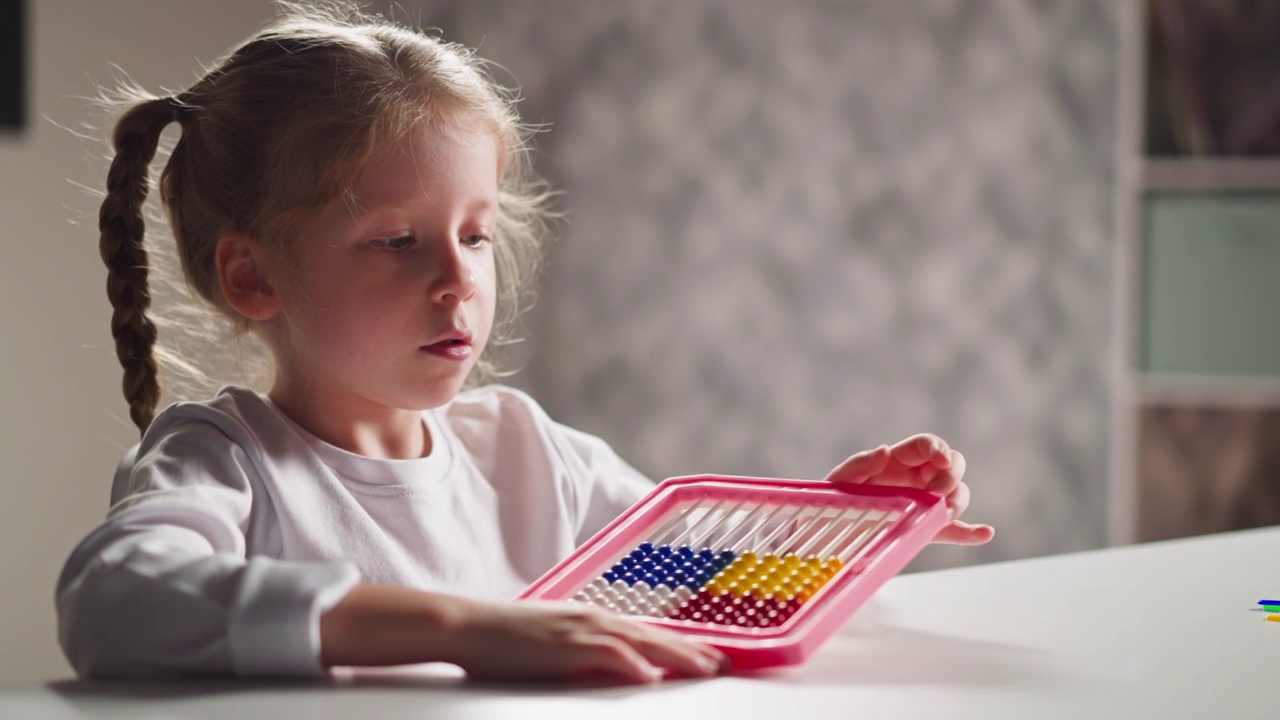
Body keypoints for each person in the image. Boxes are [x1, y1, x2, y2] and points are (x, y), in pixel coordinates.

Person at [57, 1, 994, 685]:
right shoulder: (226, 462)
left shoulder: (524, 449)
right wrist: (467, 628)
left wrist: (851, 528)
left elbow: (701, 585)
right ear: (253, 275)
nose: (459, 279)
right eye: (396, 240)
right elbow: (115, 599)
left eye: (474, 234)